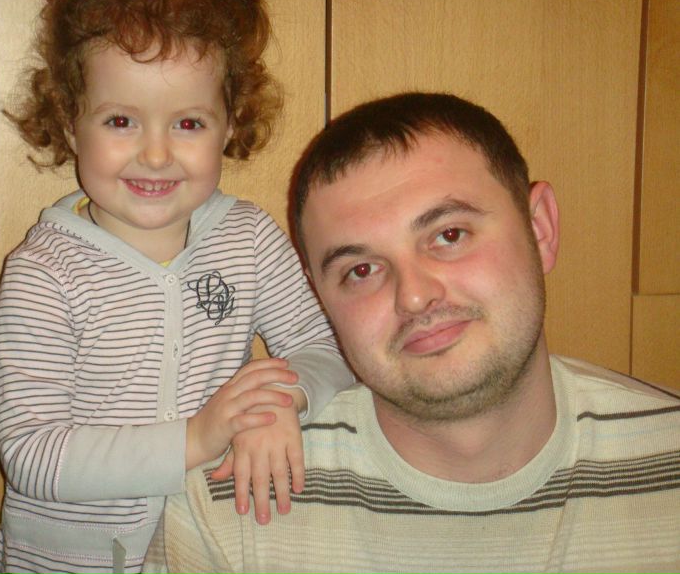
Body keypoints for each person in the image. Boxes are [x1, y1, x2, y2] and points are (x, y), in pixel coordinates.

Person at [142, 92, 680, 574]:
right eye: (361, 270)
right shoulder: (228, 510)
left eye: (449, 235)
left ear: (539, 229)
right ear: (319, 296)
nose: (415, 296)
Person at [0, 0, 354, 572]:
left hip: (208, 549)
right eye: (120, 121)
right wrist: (197, 438)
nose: (156, 155)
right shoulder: (42, 273)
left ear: (229, 123)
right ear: (70, 120)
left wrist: (277, 402)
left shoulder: (249, 240)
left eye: (188, 123)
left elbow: (330, 350)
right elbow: (32, 455)